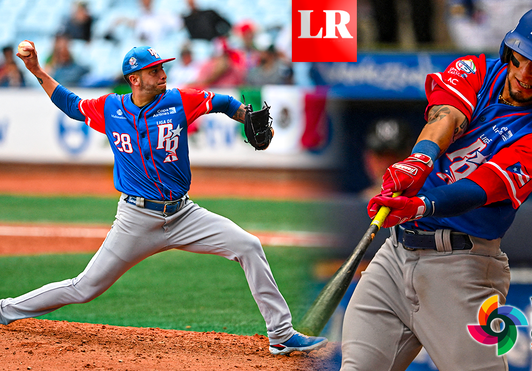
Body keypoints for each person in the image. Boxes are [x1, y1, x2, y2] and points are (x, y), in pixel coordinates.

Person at [1, 41, 328, 356]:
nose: (162, 74)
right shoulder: (111, 109)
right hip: (136, 220)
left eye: (161, 68)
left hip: (184, 215)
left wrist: (245, 116)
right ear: (135, 79)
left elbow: (222, 103)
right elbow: (72, 105)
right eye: (154, 70)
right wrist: (36, 70)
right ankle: (5, 310)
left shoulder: (177, 101)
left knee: (248, 246)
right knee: (85, 287)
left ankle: (281, 335)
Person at [340, 5, 532, 370]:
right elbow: (447, 116)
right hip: (394, 258)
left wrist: (422, 204)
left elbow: (479, 188)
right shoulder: (476, 69)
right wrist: (419, 160)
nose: (525, 75)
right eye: (522, 59)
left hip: (462, 268)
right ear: (510, 49)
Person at [360, 118, 414, 200]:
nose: (387, 163)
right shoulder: (350, 208)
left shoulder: (431, 204)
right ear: (368, 158)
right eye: (380, 155)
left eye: (395, 155)